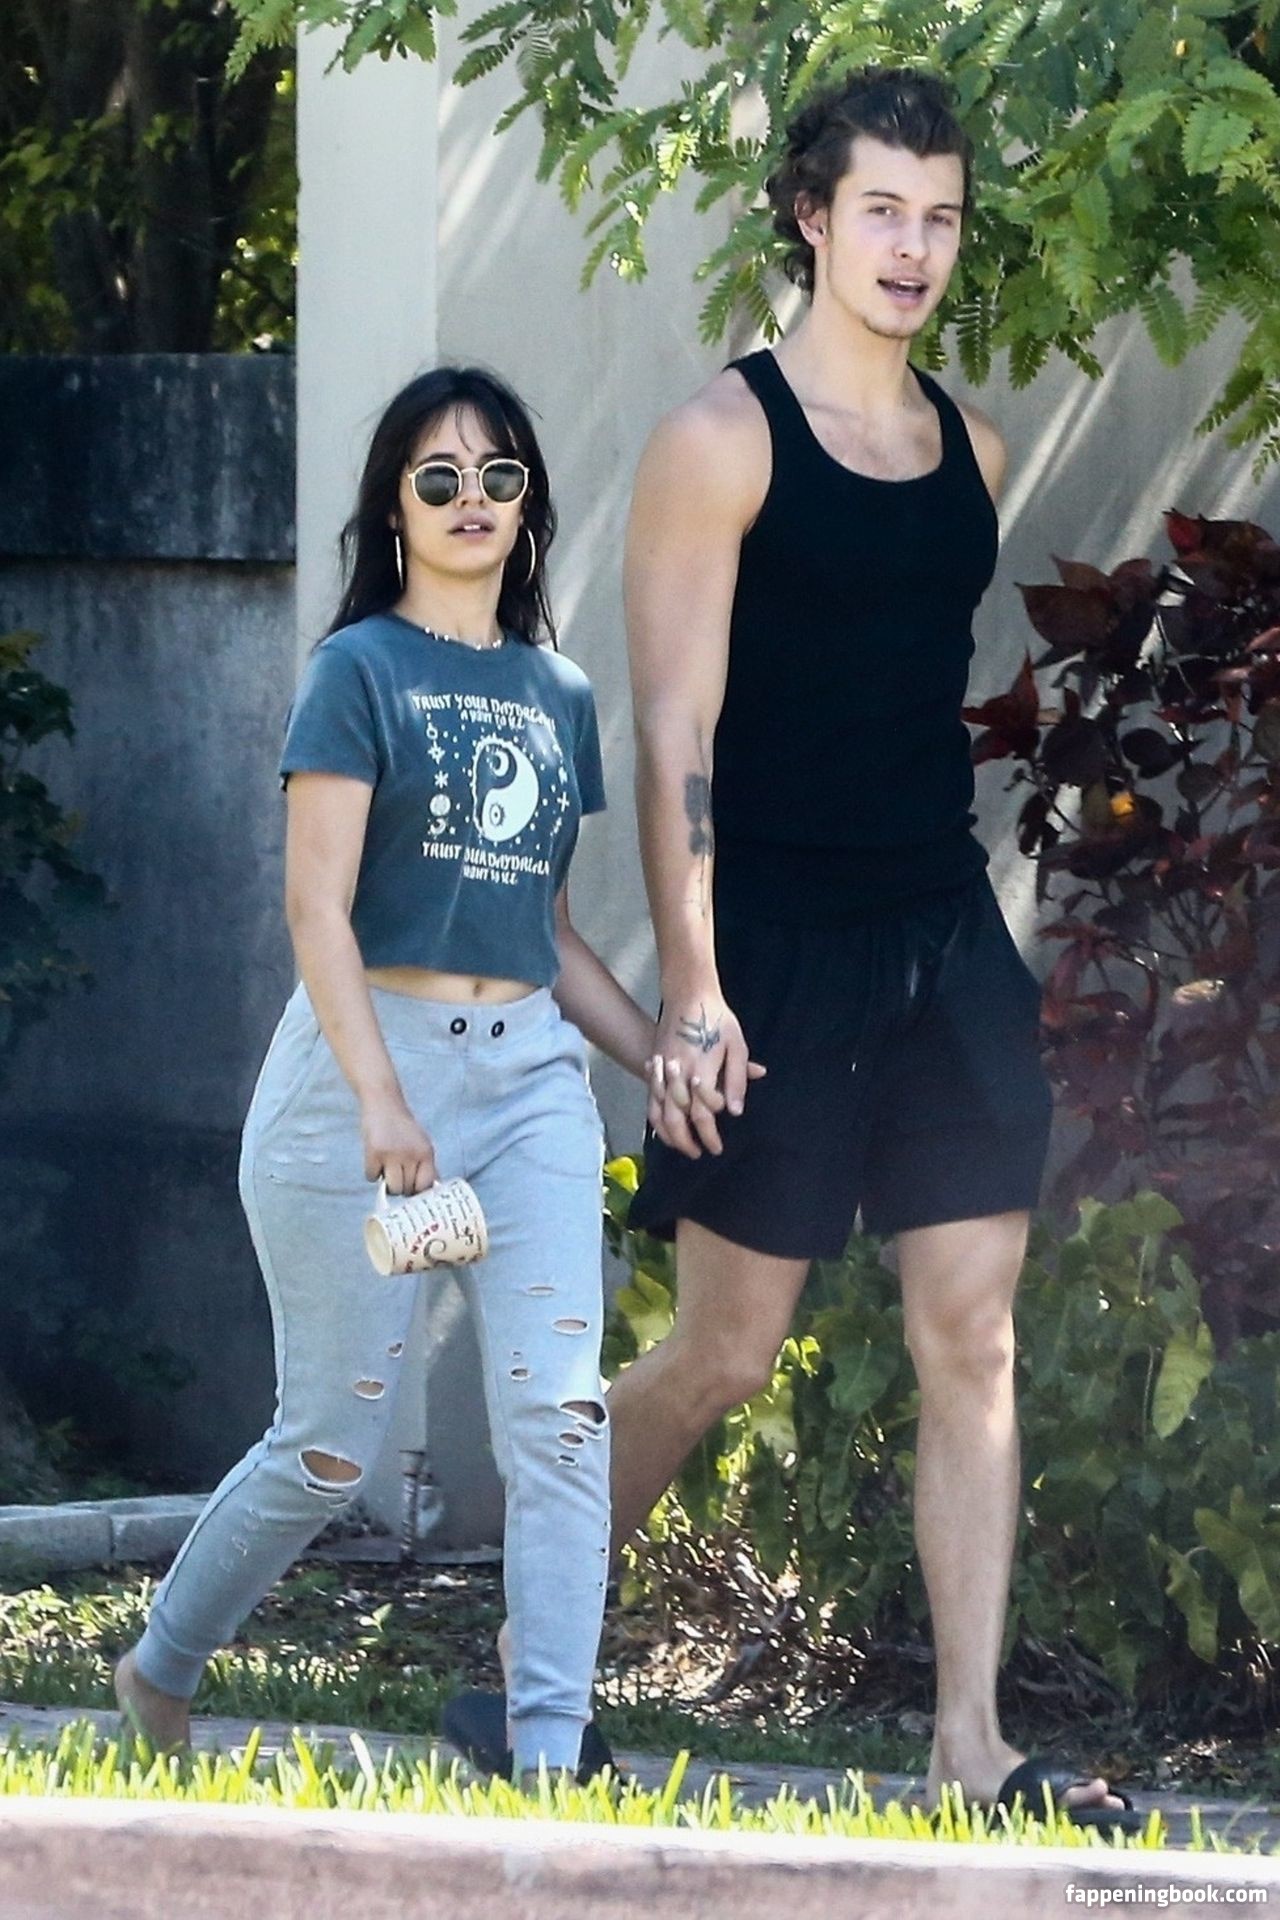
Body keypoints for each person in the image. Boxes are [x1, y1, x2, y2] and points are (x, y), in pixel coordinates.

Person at [617, 68, 1139, 1833]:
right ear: (810, 216)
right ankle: (537, 1629)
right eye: (883, 211)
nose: (914, 247)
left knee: (971, 1333)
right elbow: (673, 738)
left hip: (940, 937)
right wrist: (694, 986)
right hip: (773, 945)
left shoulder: (970, 455)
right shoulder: (722, 443)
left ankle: (970, 1743)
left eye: (942, 217)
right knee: (725, 1354)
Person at [114, 364, 655, 1789]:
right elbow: (317, 909)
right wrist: (379, 1100)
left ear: (528, 507)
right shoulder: (357, 671)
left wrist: (659, 1053)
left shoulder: (557, 692)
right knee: (332, 1447)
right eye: (440, 477)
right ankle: (160, 1666)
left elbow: (546, 930)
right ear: (397, 507)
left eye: (500, 476)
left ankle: (549, 1753)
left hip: (527, 1082)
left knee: (560, 1414)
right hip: (360, 1080)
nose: (473, 499)